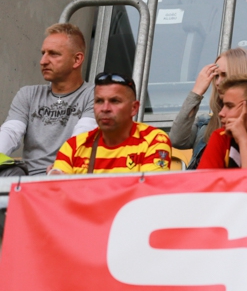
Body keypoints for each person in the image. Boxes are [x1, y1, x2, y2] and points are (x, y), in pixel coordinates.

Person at [0, 23, 96, 176]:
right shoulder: (28, 94)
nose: (43, 61)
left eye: (53, 54)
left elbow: (82, 136)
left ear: (77, 60)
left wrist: (61, 167)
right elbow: (10, 132)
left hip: (65, 175)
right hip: (24, 179)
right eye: (43, 53)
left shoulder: (95, 94)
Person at [51, 73, 171, 174]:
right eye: (99, 101)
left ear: (134, 108)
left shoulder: (154, 140)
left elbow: (149, 191)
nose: (105, 108)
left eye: (114, 101)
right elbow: (58, 192)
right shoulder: (73, 146)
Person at [170, 48, 247, 169]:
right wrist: (197, 92)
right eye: (216, 76)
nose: (217, 82)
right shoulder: (205, 123)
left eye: (224, 75)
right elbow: (176, 140)